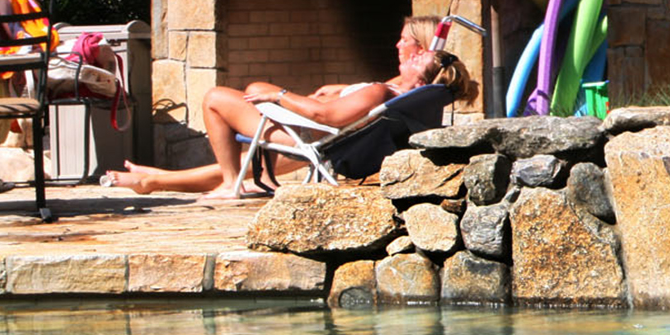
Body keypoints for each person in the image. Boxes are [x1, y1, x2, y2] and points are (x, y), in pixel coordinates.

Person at [106, 16, 475, 200]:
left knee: (216, 99)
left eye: (407, 43)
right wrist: (343, 90)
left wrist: (279, 95)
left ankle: (231, 187)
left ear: (421, 55)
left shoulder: (382, 92)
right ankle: (151, 181)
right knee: (234, 162)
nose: (398, 45)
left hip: (310, 134)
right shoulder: (399, 91)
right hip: (321, 138)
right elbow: (350, 105)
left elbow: (325, 116)